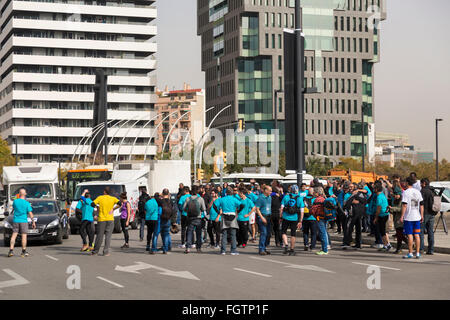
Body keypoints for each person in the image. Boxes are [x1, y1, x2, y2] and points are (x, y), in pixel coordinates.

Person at [90, 187, 121, 256]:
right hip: (110, 219)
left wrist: (97, 208)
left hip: (101, 219)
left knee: (99, 236)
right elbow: (120, 203)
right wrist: (113, 209)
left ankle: (95, 251)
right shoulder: (113, 198)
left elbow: (92, 204)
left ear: (104, 191)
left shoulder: (100, 198)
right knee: (108, 236)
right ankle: (106, 252)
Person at [401, 176, 424, 259]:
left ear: (407, 182)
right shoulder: (418, 192)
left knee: (410, 235)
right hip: (417, 216)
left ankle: (410, 252)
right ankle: (417, 253)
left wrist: (402, 216)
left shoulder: (406, 192)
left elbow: (404, 205)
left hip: (409, 217)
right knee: (417, 235)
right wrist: (421, 215)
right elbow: (421, 205)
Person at [8, 188, 35, 257]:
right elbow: (30, 213)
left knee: (14, 235)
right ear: (25, 194)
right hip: (23, 221)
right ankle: (23, 251)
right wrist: (33, 221)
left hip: (16, 220)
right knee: (24, 236)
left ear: (19, 194)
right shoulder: (26, 203)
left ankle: (11, 250)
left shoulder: (15, 201)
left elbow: (14, 209)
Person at [280, 185, 304, 255]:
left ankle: (286, 244)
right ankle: (292, 249)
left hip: (285, 217)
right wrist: (300, 221)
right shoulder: (300, 198)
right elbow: (302, 211)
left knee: (283, 232)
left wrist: (280, 217)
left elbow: (281, 208)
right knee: (293, 234)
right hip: (295, 218)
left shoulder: (286, 197)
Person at [343, 183, 368, 249]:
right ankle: (351, 242)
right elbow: (346, 203)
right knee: (350, 229)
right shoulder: (348, 194)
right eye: (349, 187)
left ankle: (356, 243)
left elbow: (364, 200)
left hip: (357, 214)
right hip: (352, 213)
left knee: (356, 229)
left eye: (352, 187)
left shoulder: (357, 193)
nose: (350, 188)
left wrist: (355, 200)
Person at [183, 186, 206, 254]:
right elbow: (203, 209)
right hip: (198, 218)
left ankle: (188, 247)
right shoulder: (200, 199)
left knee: (190, 232)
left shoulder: (188, 199)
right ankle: (198, 248)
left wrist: (188, 211)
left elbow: (184, 208)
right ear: (197, 191)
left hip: (190, 218)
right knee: (198, 233)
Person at [310, 187, 329, 255]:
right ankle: (325, 248)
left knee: (322, 233)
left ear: (317, 193)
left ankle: (324, 250)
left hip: (319, 218)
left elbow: (313, 210)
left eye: (314, 192)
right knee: (324, 232)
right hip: (325, 217)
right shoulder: (324, 198)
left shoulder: (317, 200)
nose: (313, 193)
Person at [373, 184, 392, 252]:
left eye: (374, 188)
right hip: (385, 214)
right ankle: (386, 244)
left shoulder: (379, 197)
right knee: (383, 231)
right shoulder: (382, 195)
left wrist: (376, 217)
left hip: (382, 215)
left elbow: (379, 207)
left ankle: (387, 245)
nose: (373, 190)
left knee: (382, 231)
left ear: (377, 189)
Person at [254, 186, 272, 255]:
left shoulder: (269, 197)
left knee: (268, 233)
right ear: (265, 190)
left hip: (268, 216)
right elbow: (257, 209)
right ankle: (261, 249)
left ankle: (264, 248)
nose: (270, 192)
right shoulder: (260, 198)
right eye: (269, 191)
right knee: (263, 233)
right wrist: (262, 217)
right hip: (262, 216)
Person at [419, 178, 436, 255]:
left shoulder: (423, 191)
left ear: (424, 183)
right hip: (432, 213)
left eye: (421, 183)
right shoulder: (433, 190)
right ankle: (431, 250)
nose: (420, 185)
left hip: (424, 213)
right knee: (430, 232)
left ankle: (421, 248)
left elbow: (420, 202)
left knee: (421, 231)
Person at [159, 188, 177, 254]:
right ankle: (167, 248)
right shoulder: (171, 202)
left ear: (163, 193)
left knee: (163, 234)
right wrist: (173, 221)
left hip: (162, 219)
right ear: (169, 194)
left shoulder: (161, 201)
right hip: (168, 219)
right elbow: (174, 211)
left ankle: (165, 247)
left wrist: (160, 196)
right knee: (167, 234)